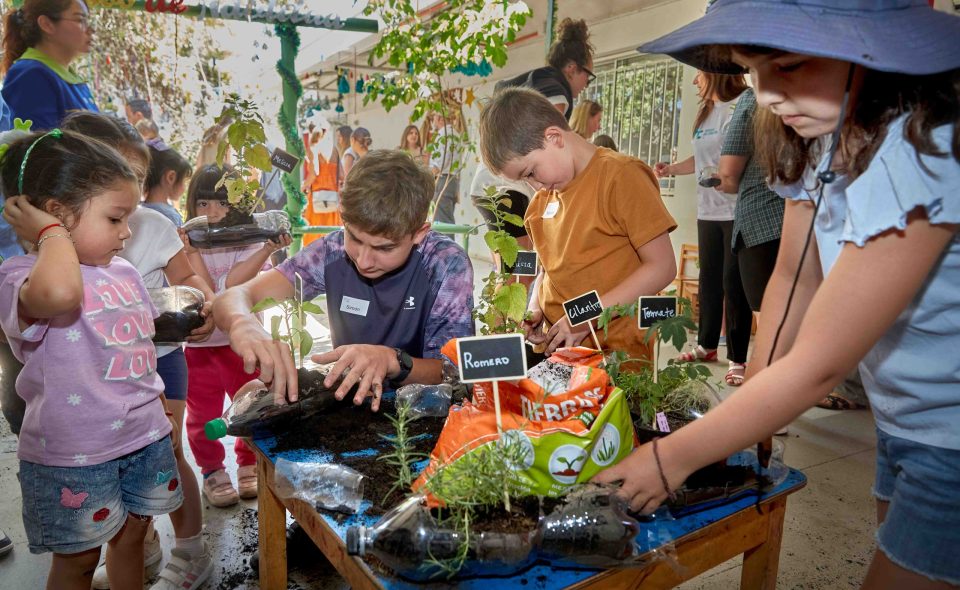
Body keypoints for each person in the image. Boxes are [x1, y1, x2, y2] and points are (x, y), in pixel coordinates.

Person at [602, 3, 960, 589]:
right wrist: (754, 416)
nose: (765, 94)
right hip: (905, 417)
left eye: (789, 65)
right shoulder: (820, 136)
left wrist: (671, 459)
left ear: (872, 51)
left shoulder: (922, 149)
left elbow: (821, 364)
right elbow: (794, 275)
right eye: (750, 70)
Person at [0, 129, 182, 589]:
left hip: (141, 437)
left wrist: (156, 405)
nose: (126, 233)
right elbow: (61, 293)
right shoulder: (20, 277)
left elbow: (135, 349)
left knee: (133, 539)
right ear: (56, 215)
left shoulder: (121, 271)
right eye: (116, 218)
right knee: (80, 560)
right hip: (75, 456)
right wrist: (50, 236)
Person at [58, 112, 215, 590]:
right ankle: (138, 548)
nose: (128, 198)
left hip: (159, 357)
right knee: (111, 465)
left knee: (166, 454)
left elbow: (190, 280)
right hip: (95, 372)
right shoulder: (59, 242)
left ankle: (190, 549)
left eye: (136, 180)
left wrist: (198, 305)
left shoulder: (151, 225)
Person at [212, 149, 475, 409]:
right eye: (355, 239)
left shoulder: (445, 264)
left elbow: (453, 372)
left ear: (419, 233)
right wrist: (243, 323)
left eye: (384, 248)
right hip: (351, 406)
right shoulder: (331, 251)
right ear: (342, 215)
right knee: (253, 392)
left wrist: (393, 361)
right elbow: (234, 296)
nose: (364, 260)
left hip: (420, 412)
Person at [480, 88, 677, 361]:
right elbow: (544, 271)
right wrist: (535, 306)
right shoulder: (540, 204)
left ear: (554, 138)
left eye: (531, 172)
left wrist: (583, 317)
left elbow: (662, 266)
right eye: (524, 180)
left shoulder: (621, 177)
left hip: (616, 358)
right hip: (559, 356)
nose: (533, 185)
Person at [179, 165, 290, 508]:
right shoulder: (184, 244)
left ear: (239, 206)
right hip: (200, 347)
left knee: (248, 406)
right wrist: (192, 250)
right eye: (203, 204)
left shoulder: (249, 237)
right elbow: (207, 290)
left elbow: (231, 287)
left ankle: (246, 464)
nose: (212, 213)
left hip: (241, 345)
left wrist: (265, 249)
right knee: (201, 414)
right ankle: (212, 470)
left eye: (223, 204)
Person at [654, 70, 752, 386]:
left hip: (737, 210)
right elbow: (700, 160)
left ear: (714, 74)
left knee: (733, 283)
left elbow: (744, 158)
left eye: (699, 73)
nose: (695, 80)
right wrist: (671, 169)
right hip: (707, 211)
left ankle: (738, 358)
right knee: (709, 279)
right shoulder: (706, 112)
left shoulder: (743, 105)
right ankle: (707, 345)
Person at [716, 87, 784, 313]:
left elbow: (728, 172)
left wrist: (727, 184)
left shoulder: (753, 100)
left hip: (761, 221)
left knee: (766, 314)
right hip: (800, 221)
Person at [1, 0, 97, 130]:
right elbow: (40, 146)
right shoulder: (31, 75)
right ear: (46, 24)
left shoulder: (69, 77)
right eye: (80, 20)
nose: (91, 30)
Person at [496, 17, 595, 119]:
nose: (586, 85)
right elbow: (549, 133)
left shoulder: (543, 80)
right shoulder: (557, 92)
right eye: (588, 76)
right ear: (571, 68)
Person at [144, 138, 191, 227]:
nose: (185, 187)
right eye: (184, 181)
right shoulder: (171, 217)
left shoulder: (137, 210)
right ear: (171, 177)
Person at [428, 112, 463, 225]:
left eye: (433, 119)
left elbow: (442, 159)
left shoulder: (444, 134)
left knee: (442, 221)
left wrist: (430, 175)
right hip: (453, 180)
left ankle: (446, 243)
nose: (433, 123)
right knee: (447, 219)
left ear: (440, 119)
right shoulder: (455, 134)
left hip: (443, 179)